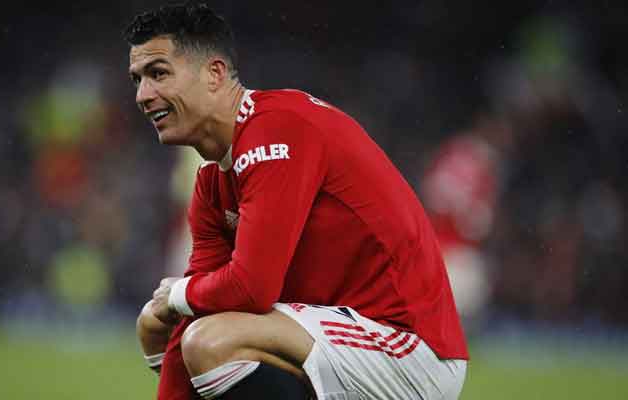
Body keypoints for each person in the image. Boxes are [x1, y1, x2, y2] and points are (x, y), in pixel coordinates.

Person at [125, 3, 468, 400]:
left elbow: (252, 288)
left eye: (158, 74)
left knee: (210, 341)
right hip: (341, 339)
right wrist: (181, 300)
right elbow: (196, 311)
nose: (143, 95)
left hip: (406, 346)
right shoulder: (212, 182)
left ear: (215, 74)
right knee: (157, 325)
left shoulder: (277, 131)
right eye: (137, 79)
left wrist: (181, 293)